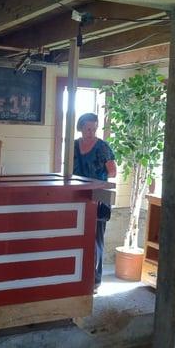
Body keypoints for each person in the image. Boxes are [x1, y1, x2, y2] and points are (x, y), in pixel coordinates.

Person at [73, 112, 116, 293]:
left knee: (96, 239)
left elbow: (112, 172)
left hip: (99, 196)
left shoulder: (103, 147)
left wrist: (97, 180)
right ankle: (79, 277)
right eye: (87, 128)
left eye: (93, 128)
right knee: (78, 236)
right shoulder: (74, 145)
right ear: (81, 127)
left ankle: (95, 281)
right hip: (78, 194)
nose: (90, 132)